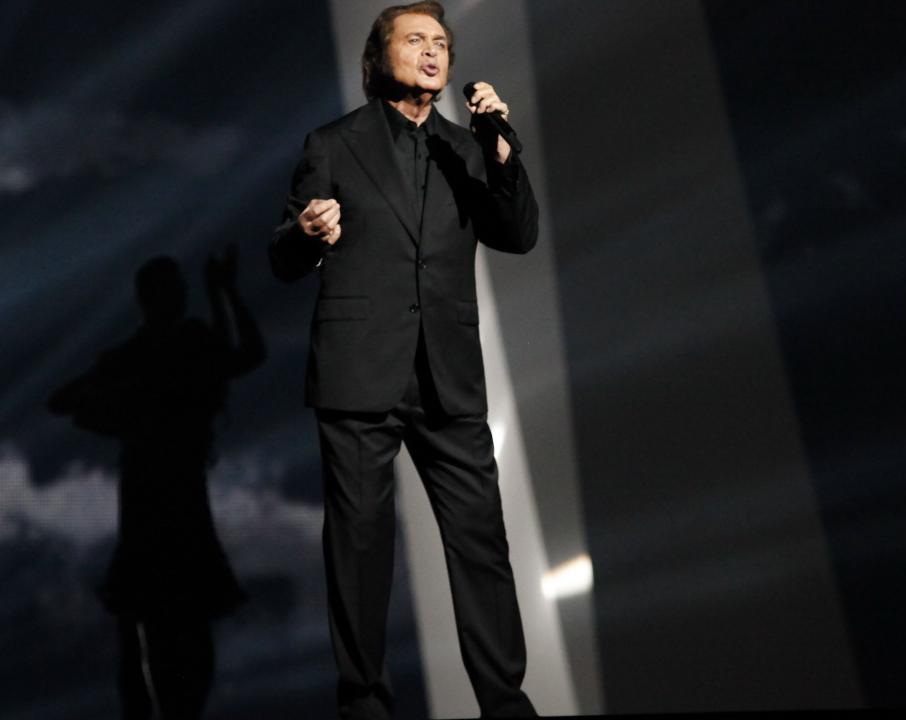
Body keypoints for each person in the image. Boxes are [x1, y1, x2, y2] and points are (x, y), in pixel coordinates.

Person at [268, 2, 539, 717]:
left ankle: (505, 702)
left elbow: (517, 234)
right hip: (360, 371)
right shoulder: (333, 143)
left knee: (481, 542)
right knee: (359, 549)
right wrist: (306, 232)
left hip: (448, 374)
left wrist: (503, 152)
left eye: (441, 42)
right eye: (415, 39)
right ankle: (364, 703)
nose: (431, 51)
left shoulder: (470, 147)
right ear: (378, 57)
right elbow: (283, 257)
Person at [49, 248, 265, 720]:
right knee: (158, 618)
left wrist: (222, 293)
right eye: (174, 290)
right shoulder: (152, 354)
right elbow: (243, 355)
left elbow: (243, 355)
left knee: (159, 617)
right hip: (162, 495)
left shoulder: (163, 350)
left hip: (164, 494)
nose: (179, 298)